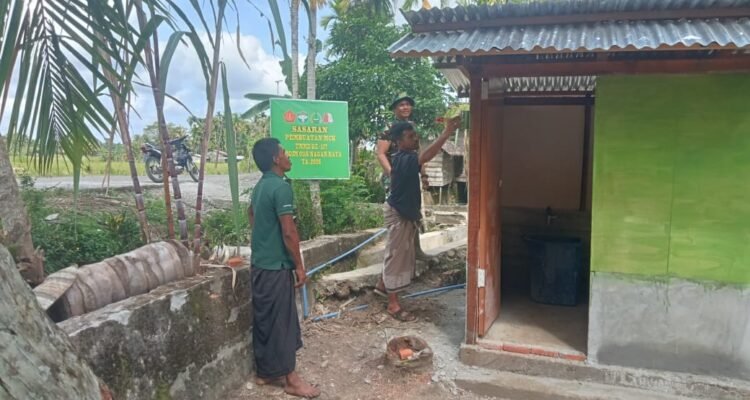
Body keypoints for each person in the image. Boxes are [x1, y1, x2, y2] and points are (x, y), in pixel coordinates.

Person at [248, 138, 320, 399]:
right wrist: (299, 266)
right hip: (276, 267)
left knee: (265, 319)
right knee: (283, 322)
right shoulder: (281, 187)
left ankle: (265, 373)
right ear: (276, 159)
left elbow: (251, 215)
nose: (288, 156)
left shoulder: (260, 187)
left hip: (259, 265)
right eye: (285, 152)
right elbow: (289, 231)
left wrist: (264, 240)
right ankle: (291, 379)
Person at [378, 117, 461, 321]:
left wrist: (423, 177)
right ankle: (393, 305)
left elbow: (421, 161)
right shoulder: (403, 159)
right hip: (399, 214)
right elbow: (427, 155)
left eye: (415, 135)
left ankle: (382, 286)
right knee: (397, 257)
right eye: (410, 136)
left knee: (397, 254)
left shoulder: (407, 156)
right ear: (399, 141)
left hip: (404, 212)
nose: (415, 139)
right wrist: (446, 133)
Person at [375, 94, 430, 263]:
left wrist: (424, 174)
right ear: (394, 109)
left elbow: (419, 153)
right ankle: (395, 257)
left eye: (408, 104)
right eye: (401, 105)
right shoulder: (389, 128)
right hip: (396, 177)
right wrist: (392, 174)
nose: (405, 107)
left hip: (411, 176)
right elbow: (381, 153)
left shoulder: (412, 127)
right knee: (398, 214)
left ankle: (416, 250)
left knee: (413, 211)